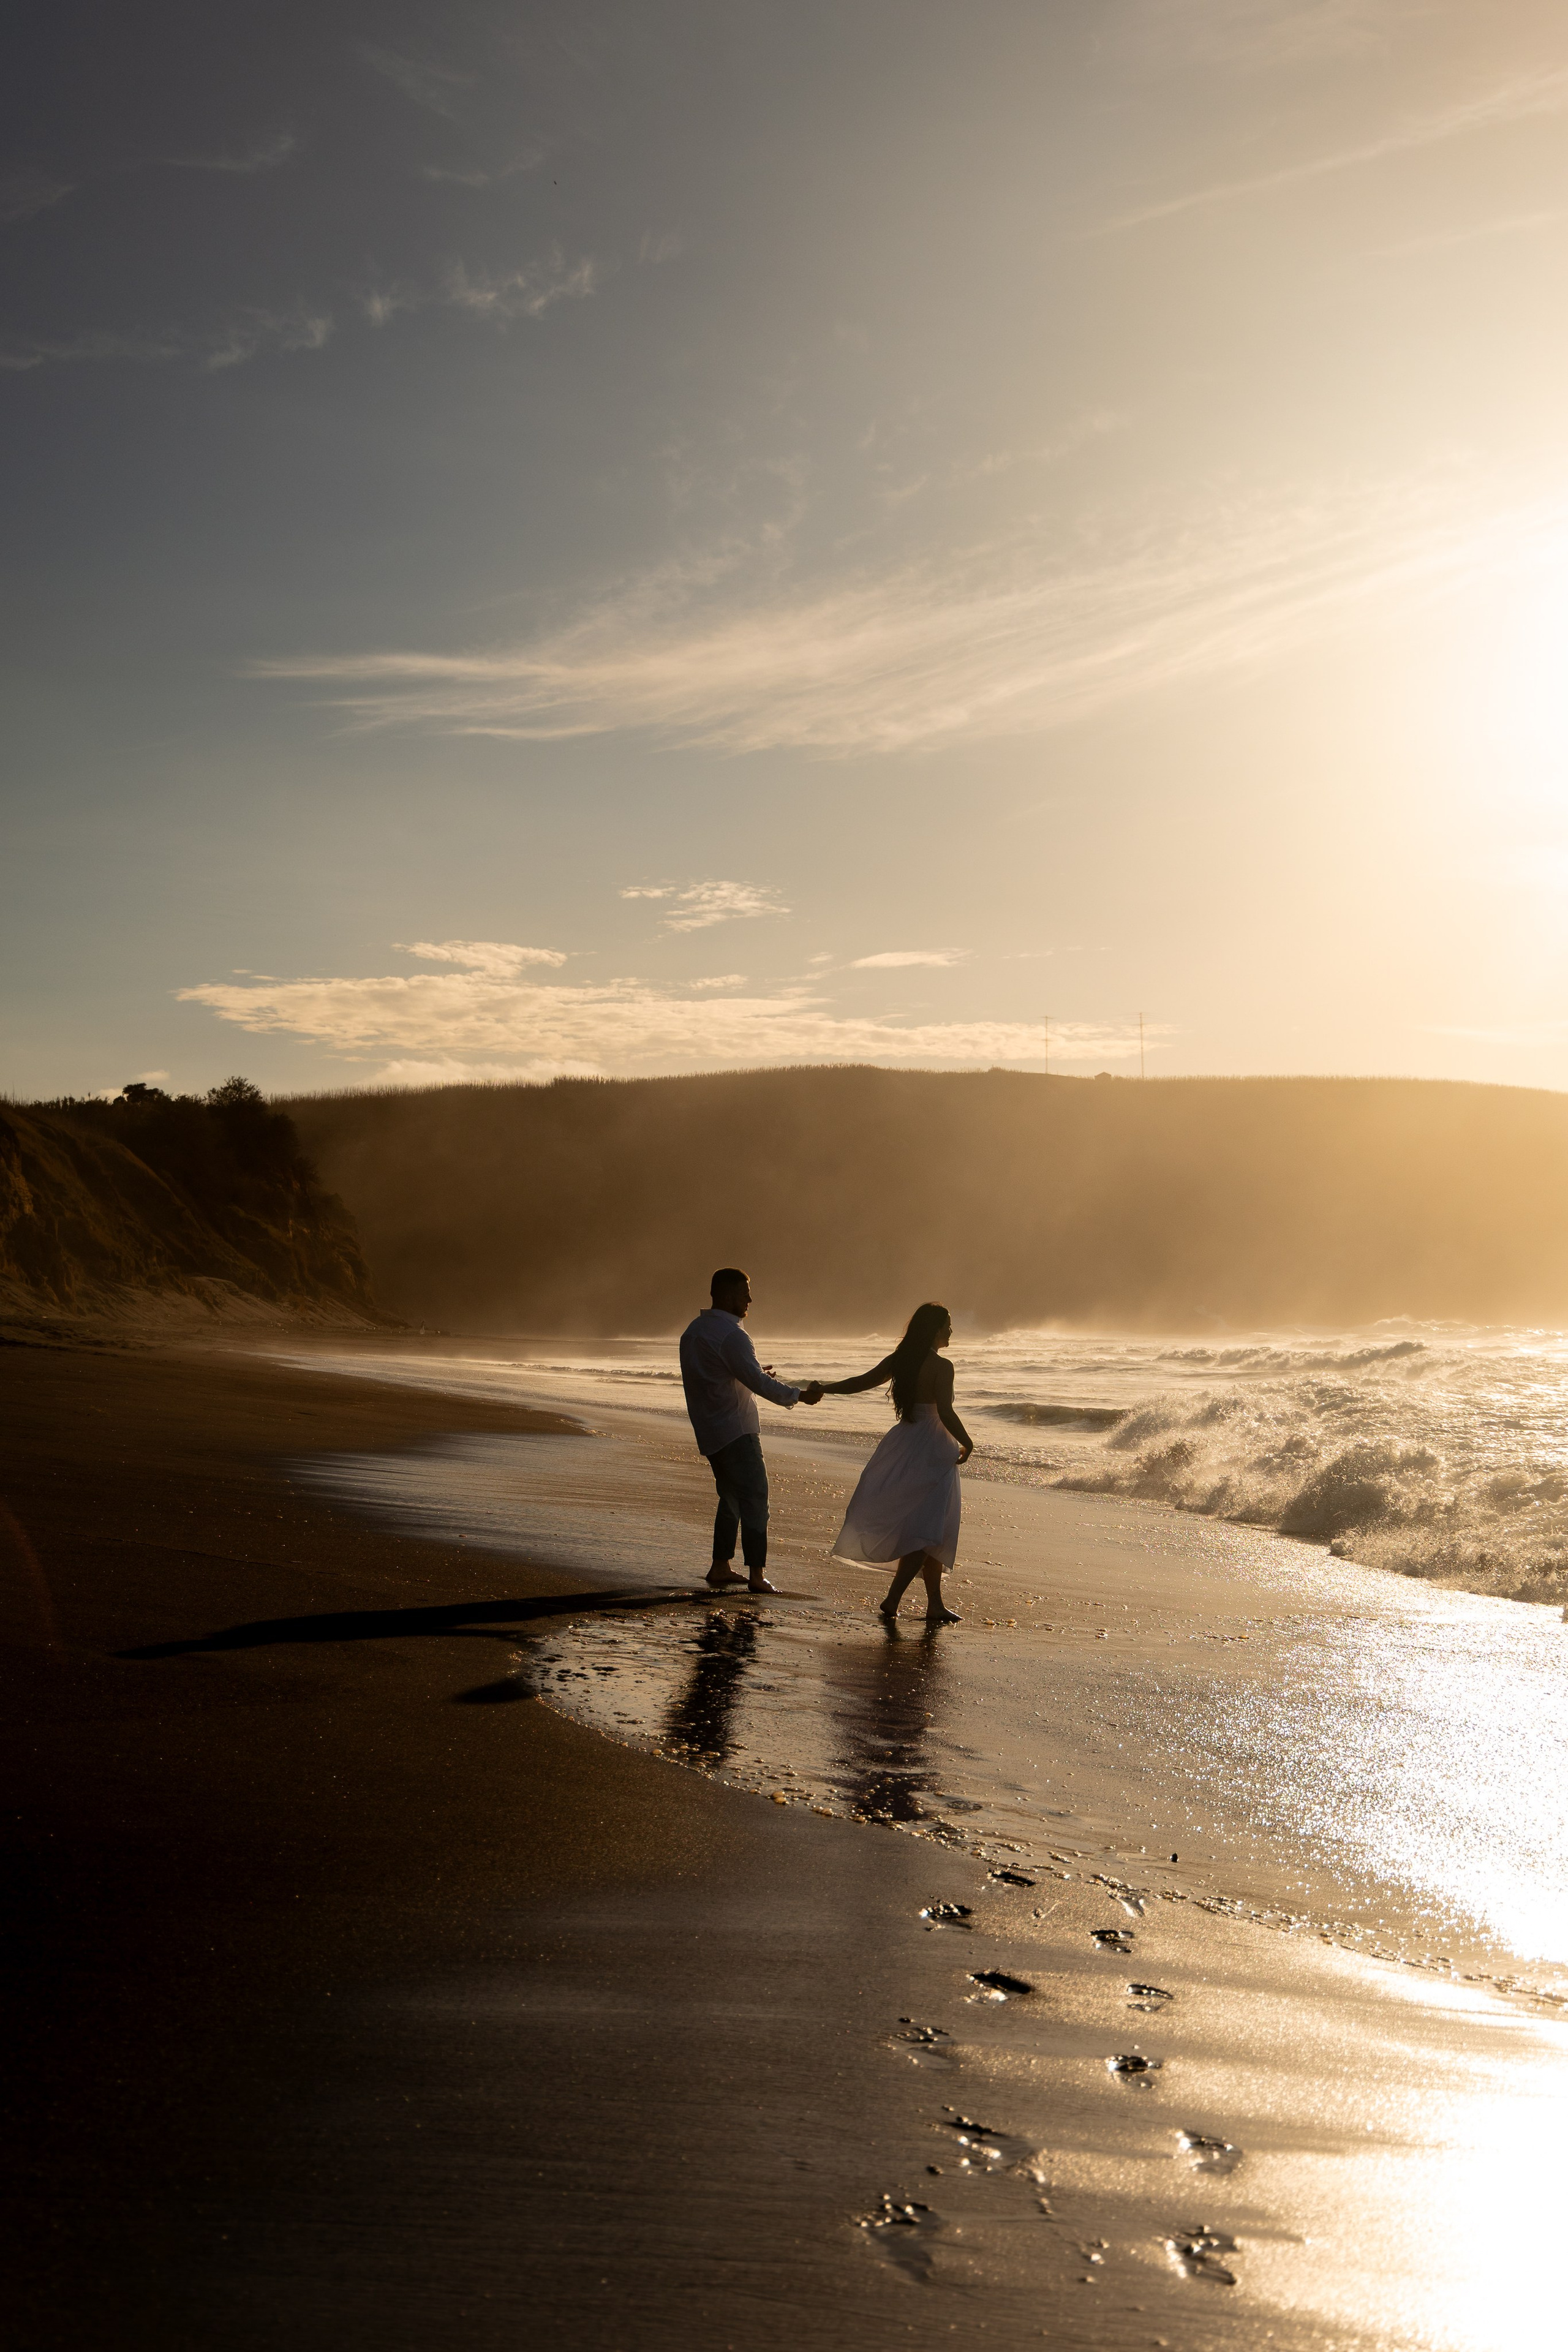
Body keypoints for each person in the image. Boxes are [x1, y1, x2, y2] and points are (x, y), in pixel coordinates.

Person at [819, 1303, 971, 1624]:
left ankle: (935, 1605)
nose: (951, 1331)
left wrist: (825, 1388)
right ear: (934, 1329)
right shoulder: (942, 1367)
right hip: (934, 1447)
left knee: (930, 1527)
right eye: (948, 1325)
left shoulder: (901, 1360)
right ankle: (892, 1599)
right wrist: (968, 1442)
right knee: (928, 1528)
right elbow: (945, 1411)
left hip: (906, 1441)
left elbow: (861, 1382)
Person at [679, 1268, 823, 1594]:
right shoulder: (733, 1336)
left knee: (730, 1496)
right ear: (728, 1296)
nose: (750, 1299)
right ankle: (757, 1575)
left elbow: (715, 1376)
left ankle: (720, 1567)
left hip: (709, 1429)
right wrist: (800, 1395)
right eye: (745, 1293)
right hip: (736, 1429)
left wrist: (751, 1371)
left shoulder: (695, 1331)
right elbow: (757, 1382)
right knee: (756, 1498)